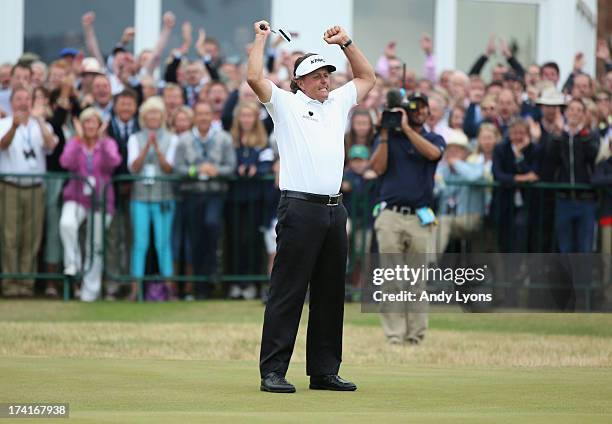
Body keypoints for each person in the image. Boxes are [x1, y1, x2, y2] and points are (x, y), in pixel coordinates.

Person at [248, 21, 375, 393]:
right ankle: (272, 371)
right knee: (288, 291)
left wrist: (347, 43)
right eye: (317, 75)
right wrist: (260, 39)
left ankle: (323, 371)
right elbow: (254, 77)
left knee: (330, 293)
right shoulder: (286, 104)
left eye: (327, 74)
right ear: (299, 81)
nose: (325, 80)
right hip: (299, 209)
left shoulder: (337, 103)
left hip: (335, 211)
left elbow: (367, 76)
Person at [369, 91, 446, 345]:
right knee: (391, 279)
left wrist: (407, 130)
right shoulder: (389, 137)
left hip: (419, 217)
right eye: (413, 107)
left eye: (423, 107)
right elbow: (377, 167)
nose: (418, 111)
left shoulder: (433, 137)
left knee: (416, 281)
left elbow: (433, 154)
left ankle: (415, 336)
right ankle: (394, 335)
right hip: (390, 215)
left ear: (429, 112)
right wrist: (384, 134)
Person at [173, 101, 236, 300]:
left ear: (211, 116)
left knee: (211, 226)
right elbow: (178, 169)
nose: (202, 118)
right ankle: (200, 285)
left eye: (206, 114)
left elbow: (231, 167)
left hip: (215, 194)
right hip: (192, 194)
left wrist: (216, 171)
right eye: (199, 114)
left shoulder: (224, 138)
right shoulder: (183, 140)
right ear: (194, 117)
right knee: (195, 238)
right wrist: (196, 170)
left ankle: (212, 276)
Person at [0, 86, 58, 296]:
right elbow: (2, 145)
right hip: (10, 187)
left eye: (27, 99)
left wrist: (40, 120)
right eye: (19, 99)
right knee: (10, 237)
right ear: (12, 101)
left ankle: (26, 285)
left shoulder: (40, 125)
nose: (23, 103)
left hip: (35, 188)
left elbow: (51, 145)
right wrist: (14, 127)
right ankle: (9, 284)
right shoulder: (3, 123)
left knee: (31, 239)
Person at [59, 108, 121, 301]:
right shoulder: (75, 143)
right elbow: (65, 162)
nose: (90, 126)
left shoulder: (108, 143)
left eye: (94, 122)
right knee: (67, 223)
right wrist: (77, 142)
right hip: (76, 197)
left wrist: (101, 143)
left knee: (95, 246)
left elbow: (114, 162)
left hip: (101, 200)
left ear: (99, 124)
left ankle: (90, 292)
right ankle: (73, 264)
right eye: (86, 122)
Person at [127, 96, 179, 300]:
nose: (153, 117)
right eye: (149, 113)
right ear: (143, 117)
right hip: (140, 196)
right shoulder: (135, 138)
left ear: (163, 116)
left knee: (163, 243)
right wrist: (145, 149)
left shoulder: (172, 138)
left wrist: (156, 150)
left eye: (157, 113)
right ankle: (134, 290)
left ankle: (170, 289)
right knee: (140, 244)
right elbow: (133, 168)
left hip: (164, 197)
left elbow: (169, 168)